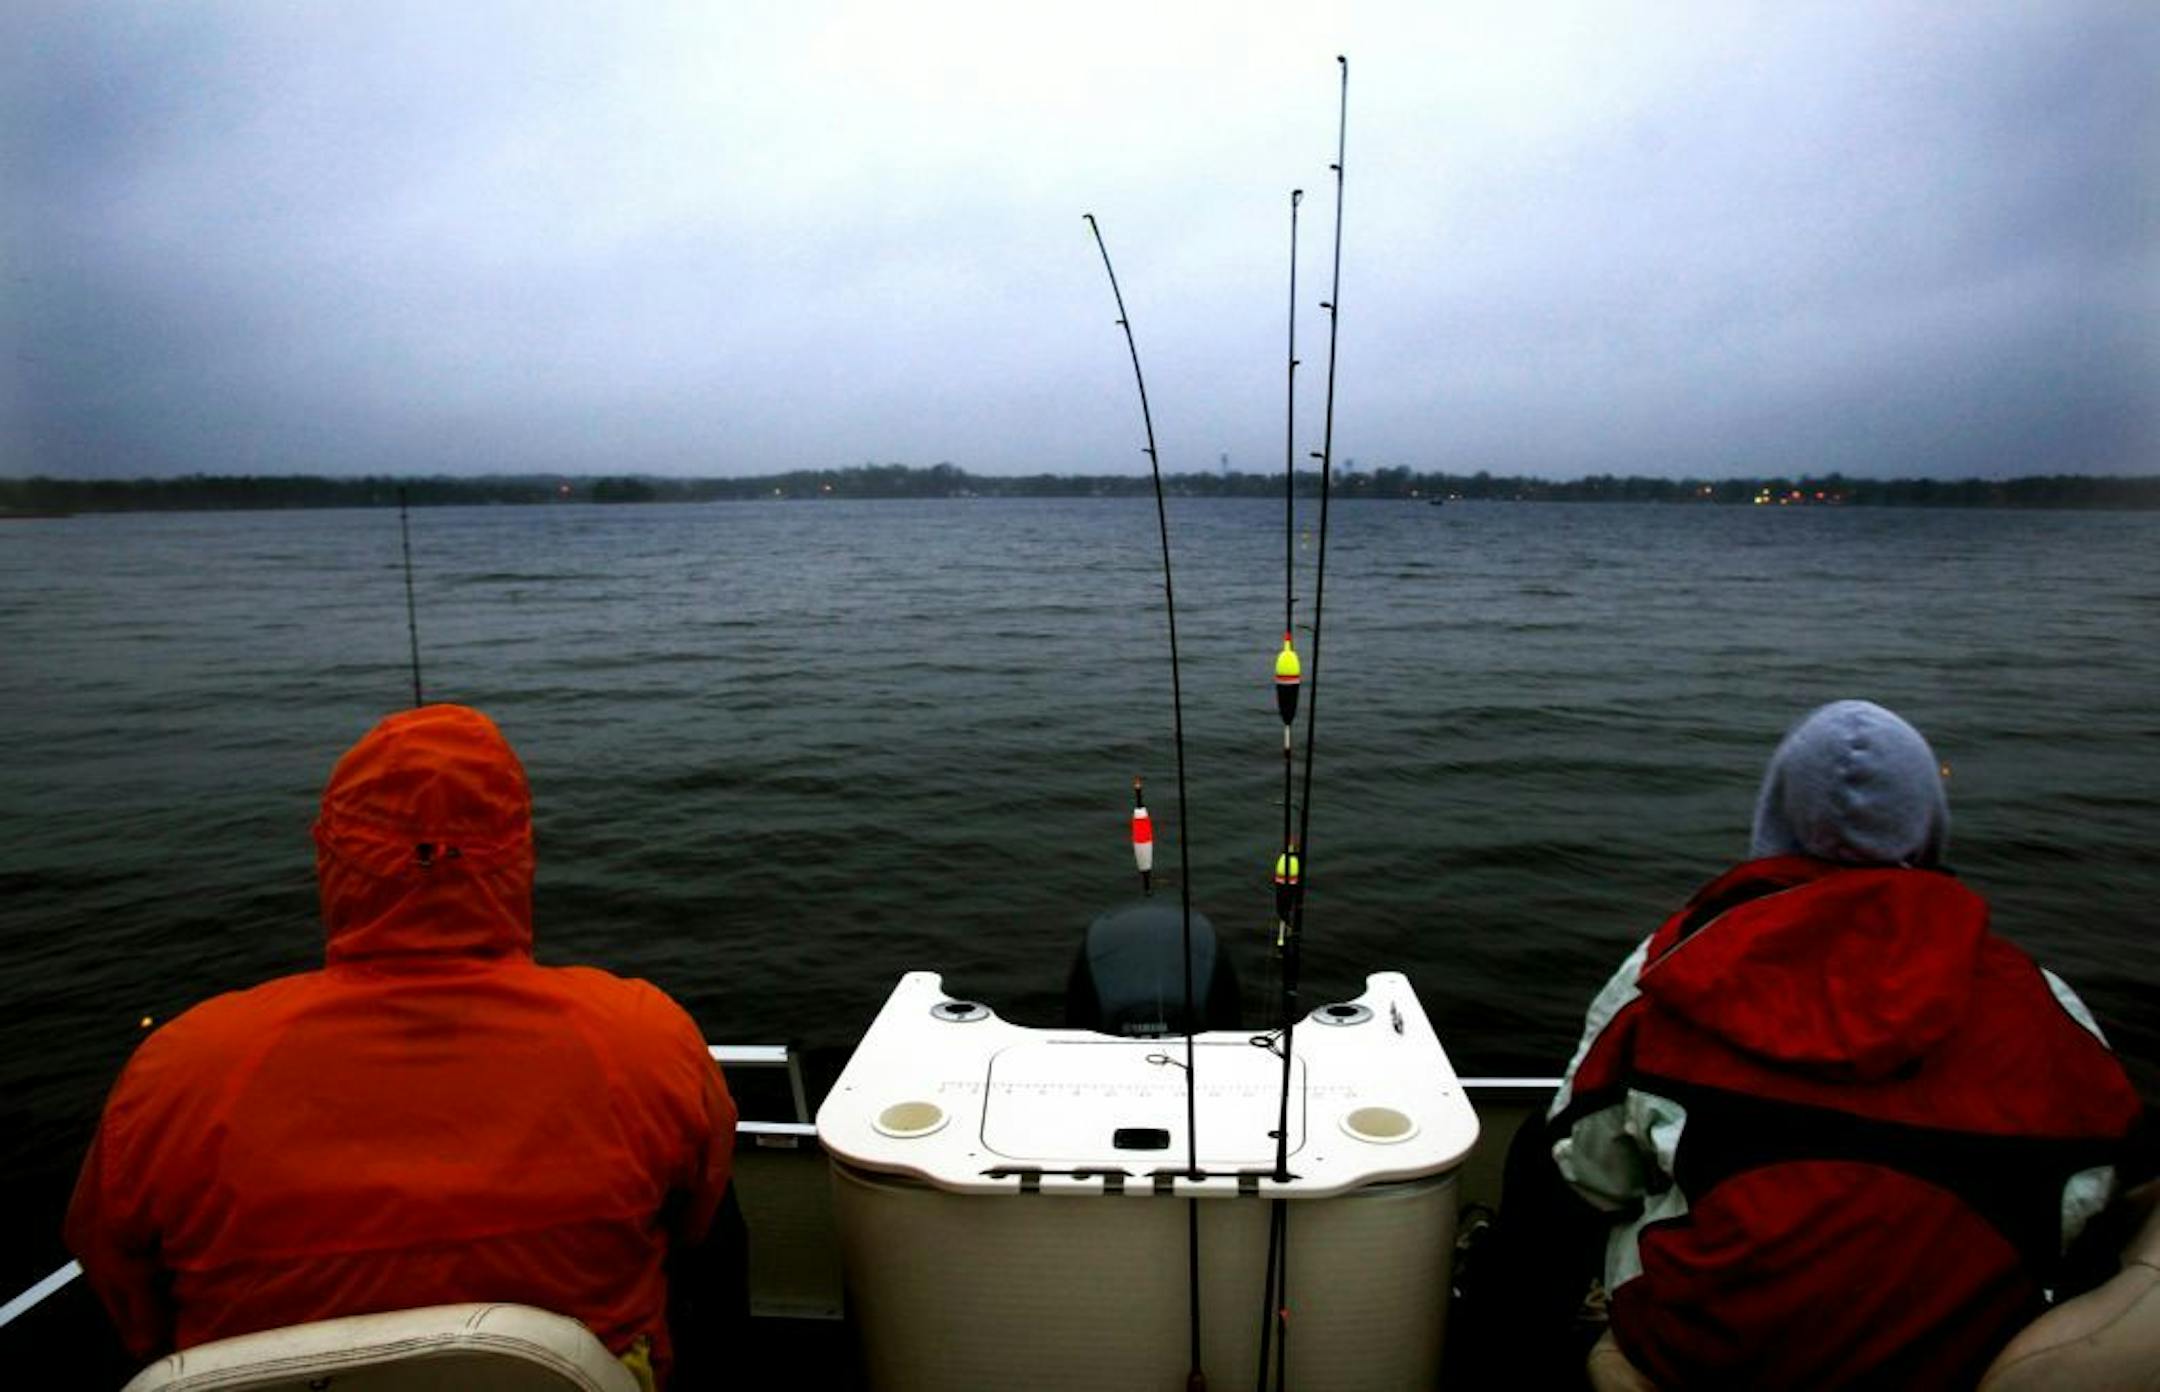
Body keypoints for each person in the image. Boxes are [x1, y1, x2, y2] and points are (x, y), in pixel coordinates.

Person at [65, 704, 738, 1389]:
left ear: (333, 858)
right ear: (518, 856)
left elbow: (129, 1309)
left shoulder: (182, 1071)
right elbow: (697, 1230)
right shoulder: (643, 1040)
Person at [1542, 699, 2143, 1389]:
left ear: (1773, 820)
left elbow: (1587, 1171)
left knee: (1551, 1154)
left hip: (1699, 1360)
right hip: (1955, 1365)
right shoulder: (2037, 998)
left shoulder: (1673, 968)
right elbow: (2092, 1190)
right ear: (1928, 826)